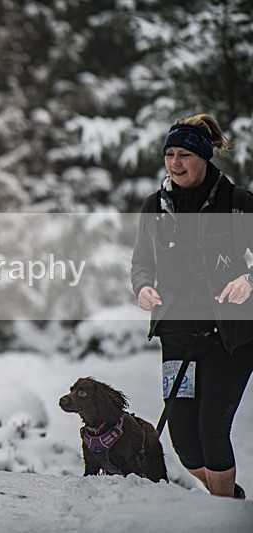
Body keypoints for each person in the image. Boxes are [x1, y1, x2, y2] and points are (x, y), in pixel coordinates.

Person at [132, 113, 253, 498]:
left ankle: (222, 514)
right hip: (177, 334)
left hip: (229, 336)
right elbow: (140, 263)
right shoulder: (155, 206)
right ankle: (229, 497)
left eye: (185, 154)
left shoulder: (236, 202)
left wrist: (248, 280)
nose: (176, 163)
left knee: (212, 432)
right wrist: (143, 287)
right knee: (184, 441)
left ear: (204, 157)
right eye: (170, 154)